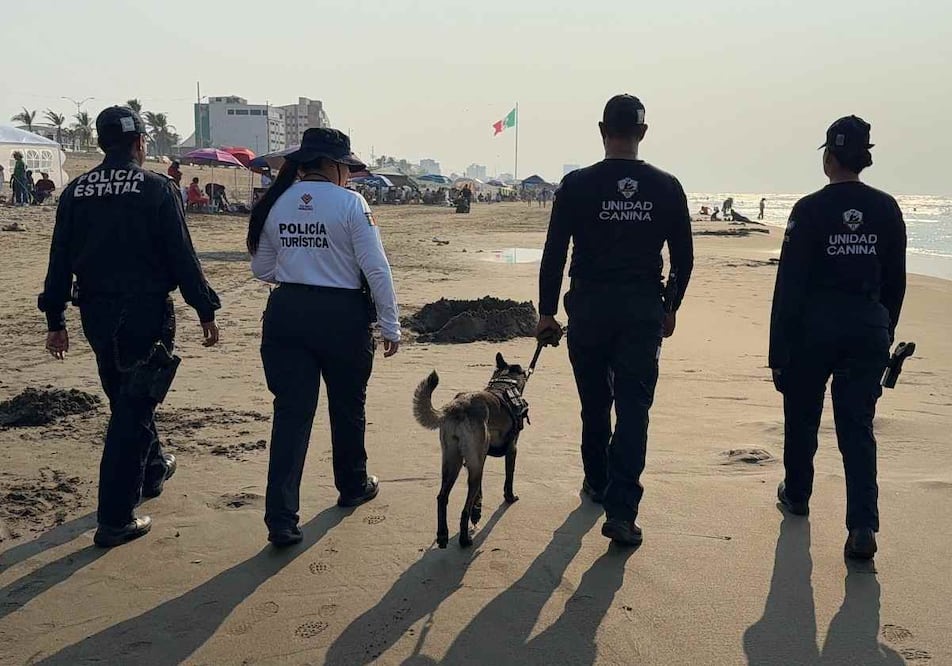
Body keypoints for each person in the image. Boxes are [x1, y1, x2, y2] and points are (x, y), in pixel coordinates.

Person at [38, 106, 221, 548]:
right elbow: (182, 256)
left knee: (126, 395)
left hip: (96, 316)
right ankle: (115, 517)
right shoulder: (158, 188)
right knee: (133, 409)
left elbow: (59, 258)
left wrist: (56, 317)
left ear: (102, 144)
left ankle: (154, 467)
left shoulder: (77, 191)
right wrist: (205, 308)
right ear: (141, 143)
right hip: (144, 312)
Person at [536, 94, 694, 547]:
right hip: (641, 308)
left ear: (602, 130)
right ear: (642, 133)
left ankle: (597, 482)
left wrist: (547, 312)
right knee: (634, 408)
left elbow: (554, 254)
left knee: (594, 403)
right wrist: (670, 306)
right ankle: (621, 511)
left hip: (588, 306)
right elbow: (683, 258)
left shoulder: (576, 185)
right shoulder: (666, 186)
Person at [248, 128, 401, 547]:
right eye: (346, 169)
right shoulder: (351, 203)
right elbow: (376, 269)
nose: (349, 177)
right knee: (347, 405)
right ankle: (352, 484)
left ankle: (281, 517)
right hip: (341, 316)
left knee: (291, 416)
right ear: (334, 166)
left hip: (287, 314)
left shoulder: (276, 201)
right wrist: (391, 324)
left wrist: (302, 267)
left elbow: (261, 269)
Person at [770, 115, 906, 560]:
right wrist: (885, 332)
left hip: (814, 327)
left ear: (829, 157)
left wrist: (779, 351)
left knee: (803, 416)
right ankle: (863, 525)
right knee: (857, 427)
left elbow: (789, 284)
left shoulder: (809, 210)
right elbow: (896, 283)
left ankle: (798, 493)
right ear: (863, 159)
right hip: (867, 325)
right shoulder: (887, 208)